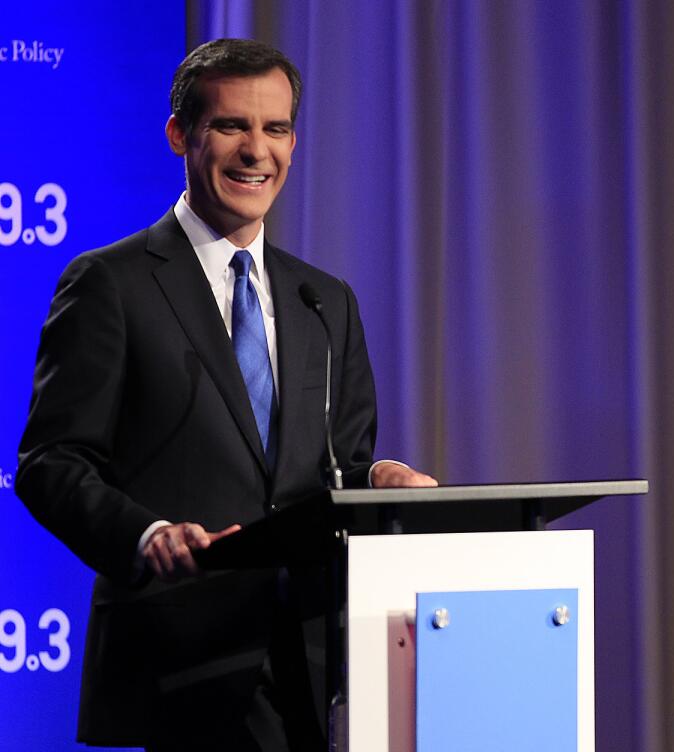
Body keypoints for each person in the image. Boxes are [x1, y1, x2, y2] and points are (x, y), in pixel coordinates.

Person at [16, 38, 434, 751]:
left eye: (274, 129)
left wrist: (377, 480)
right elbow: (51, 463)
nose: (255, 151)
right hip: (182, 658)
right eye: (232, 126)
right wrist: (146, 536)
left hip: (308, 661)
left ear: (294, 145)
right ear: (181, 133)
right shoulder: (110, 285)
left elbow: (337, 467)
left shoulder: (324, 300)